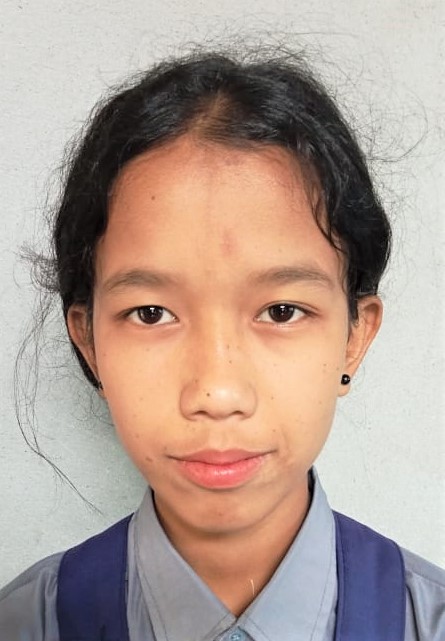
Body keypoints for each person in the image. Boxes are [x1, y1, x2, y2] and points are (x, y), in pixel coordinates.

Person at [0, 49, 444, 641]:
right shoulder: (24, 623)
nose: (217, 393)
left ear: (354, 337)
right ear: (89, 341)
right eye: (151, 313)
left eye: (281, 311)